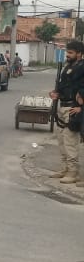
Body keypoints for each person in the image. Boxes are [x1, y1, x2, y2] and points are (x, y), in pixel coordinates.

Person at [48, 40, 84, 183]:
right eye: (67, 52)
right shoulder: (67, 67)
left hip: (73, 108)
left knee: (70, 141)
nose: (67, 55)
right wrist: (56, 93)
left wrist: (81, 105)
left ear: (79, 54)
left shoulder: (82, 68)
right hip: (62, 106)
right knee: (61, 140)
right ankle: (65, 168)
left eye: (71, 53)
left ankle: (73, 171)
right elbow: (63, 86)